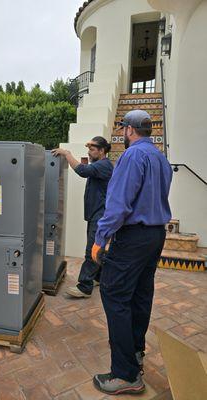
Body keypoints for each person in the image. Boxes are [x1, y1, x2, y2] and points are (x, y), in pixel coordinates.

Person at [91, 110, 172, 395]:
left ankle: (125, 374)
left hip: (134, 236)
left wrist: (100, 239)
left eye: (123, 129)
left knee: (114, 293)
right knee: (139, 295)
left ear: (128, 130)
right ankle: (135, 352)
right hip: (155, 235)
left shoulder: (132, 156)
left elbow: (118, 204)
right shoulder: (161, 158)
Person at [52, 136, 113, 298]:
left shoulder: (104, 165)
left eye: (92, 149)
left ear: (102, 151)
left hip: (100, 216)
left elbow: (82, 171)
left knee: (91, 251)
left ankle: (85, 286)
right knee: (97, 249)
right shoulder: (99, 165)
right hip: (96, 215)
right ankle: (98, 277)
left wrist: (67, 154)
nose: (89, 152)